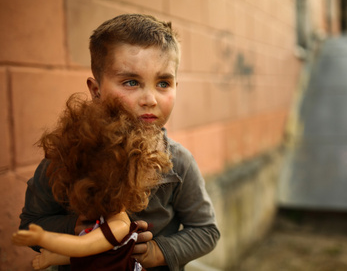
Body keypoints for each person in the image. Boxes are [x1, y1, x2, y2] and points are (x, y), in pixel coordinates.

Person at [19, 14, 220, 271]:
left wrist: (158, 252)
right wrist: (73, 228)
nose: (150, 99)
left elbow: (206, 231)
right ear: (96, 90)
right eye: (131, 82)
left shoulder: (179, 163)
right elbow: (30, 224)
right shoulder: (67, 156)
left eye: (163, 83)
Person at [13, 95, 173, 270]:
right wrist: (52, 257)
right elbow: (87, 252)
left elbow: (81, 247)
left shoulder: (118, 226)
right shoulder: (104, 221)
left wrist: (44, 239)